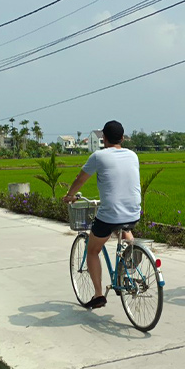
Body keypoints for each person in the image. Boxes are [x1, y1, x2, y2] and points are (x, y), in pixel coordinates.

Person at [62, 120, 141, 309]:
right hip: (134, 211)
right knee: (122, 227)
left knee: (92, 249)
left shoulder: (99, 156)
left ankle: (98, 295)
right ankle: (132, 251)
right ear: (122, 138)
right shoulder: (132, 155)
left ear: (103, 138)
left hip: (111, 213)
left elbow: (80, 178)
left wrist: (70, 195)